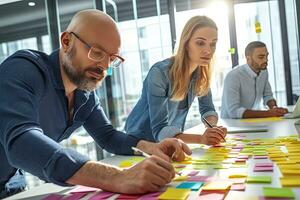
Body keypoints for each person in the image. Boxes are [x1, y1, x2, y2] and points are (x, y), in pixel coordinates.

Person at [0, 9, 192, 198]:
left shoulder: (84, 93)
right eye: (97, 52)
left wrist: (151, 147)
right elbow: (21, 141)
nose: (105, 66)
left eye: (112, 58)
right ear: (66, 42)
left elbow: (108, 137)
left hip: (13, 181)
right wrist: (117, 177)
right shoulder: (23, 70)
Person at [124, 16, 227, 145]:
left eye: (213, 44)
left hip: (169, 143)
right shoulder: (160, 73)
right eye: (200, 43)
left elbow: (207, 109)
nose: (208, 50)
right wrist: (201, 139)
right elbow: (160, 129)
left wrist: (212, 128)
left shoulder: (201, 73)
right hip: (139, 142)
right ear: (186, 44)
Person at [221, 41, 288, 119]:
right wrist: (268, 113)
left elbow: (267, 96)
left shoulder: (264, 71)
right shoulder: (233, 76)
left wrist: (274, 108)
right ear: (248, 59)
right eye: (261, 57)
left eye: (266, 56)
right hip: (231, 126)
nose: (265, 60)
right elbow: (234, 112)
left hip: (251, 123)